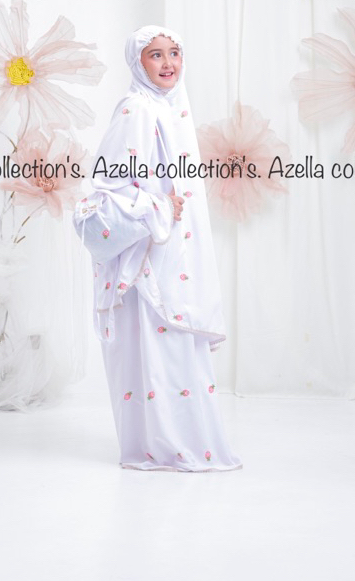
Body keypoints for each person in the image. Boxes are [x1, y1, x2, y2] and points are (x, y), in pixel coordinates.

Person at [75, 24, 243, 472]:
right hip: (149, 253)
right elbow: (105, 187)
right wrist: (156, 206)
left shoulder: (171, 110)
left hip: (173, 249)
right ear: (138, 63)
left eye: (174, 53)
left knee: (175, 346)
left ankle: (178, 443)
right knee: (157, 346)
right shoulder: (137, 109)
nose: (168, 63)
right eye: (155, 54)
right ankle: (163, 446)